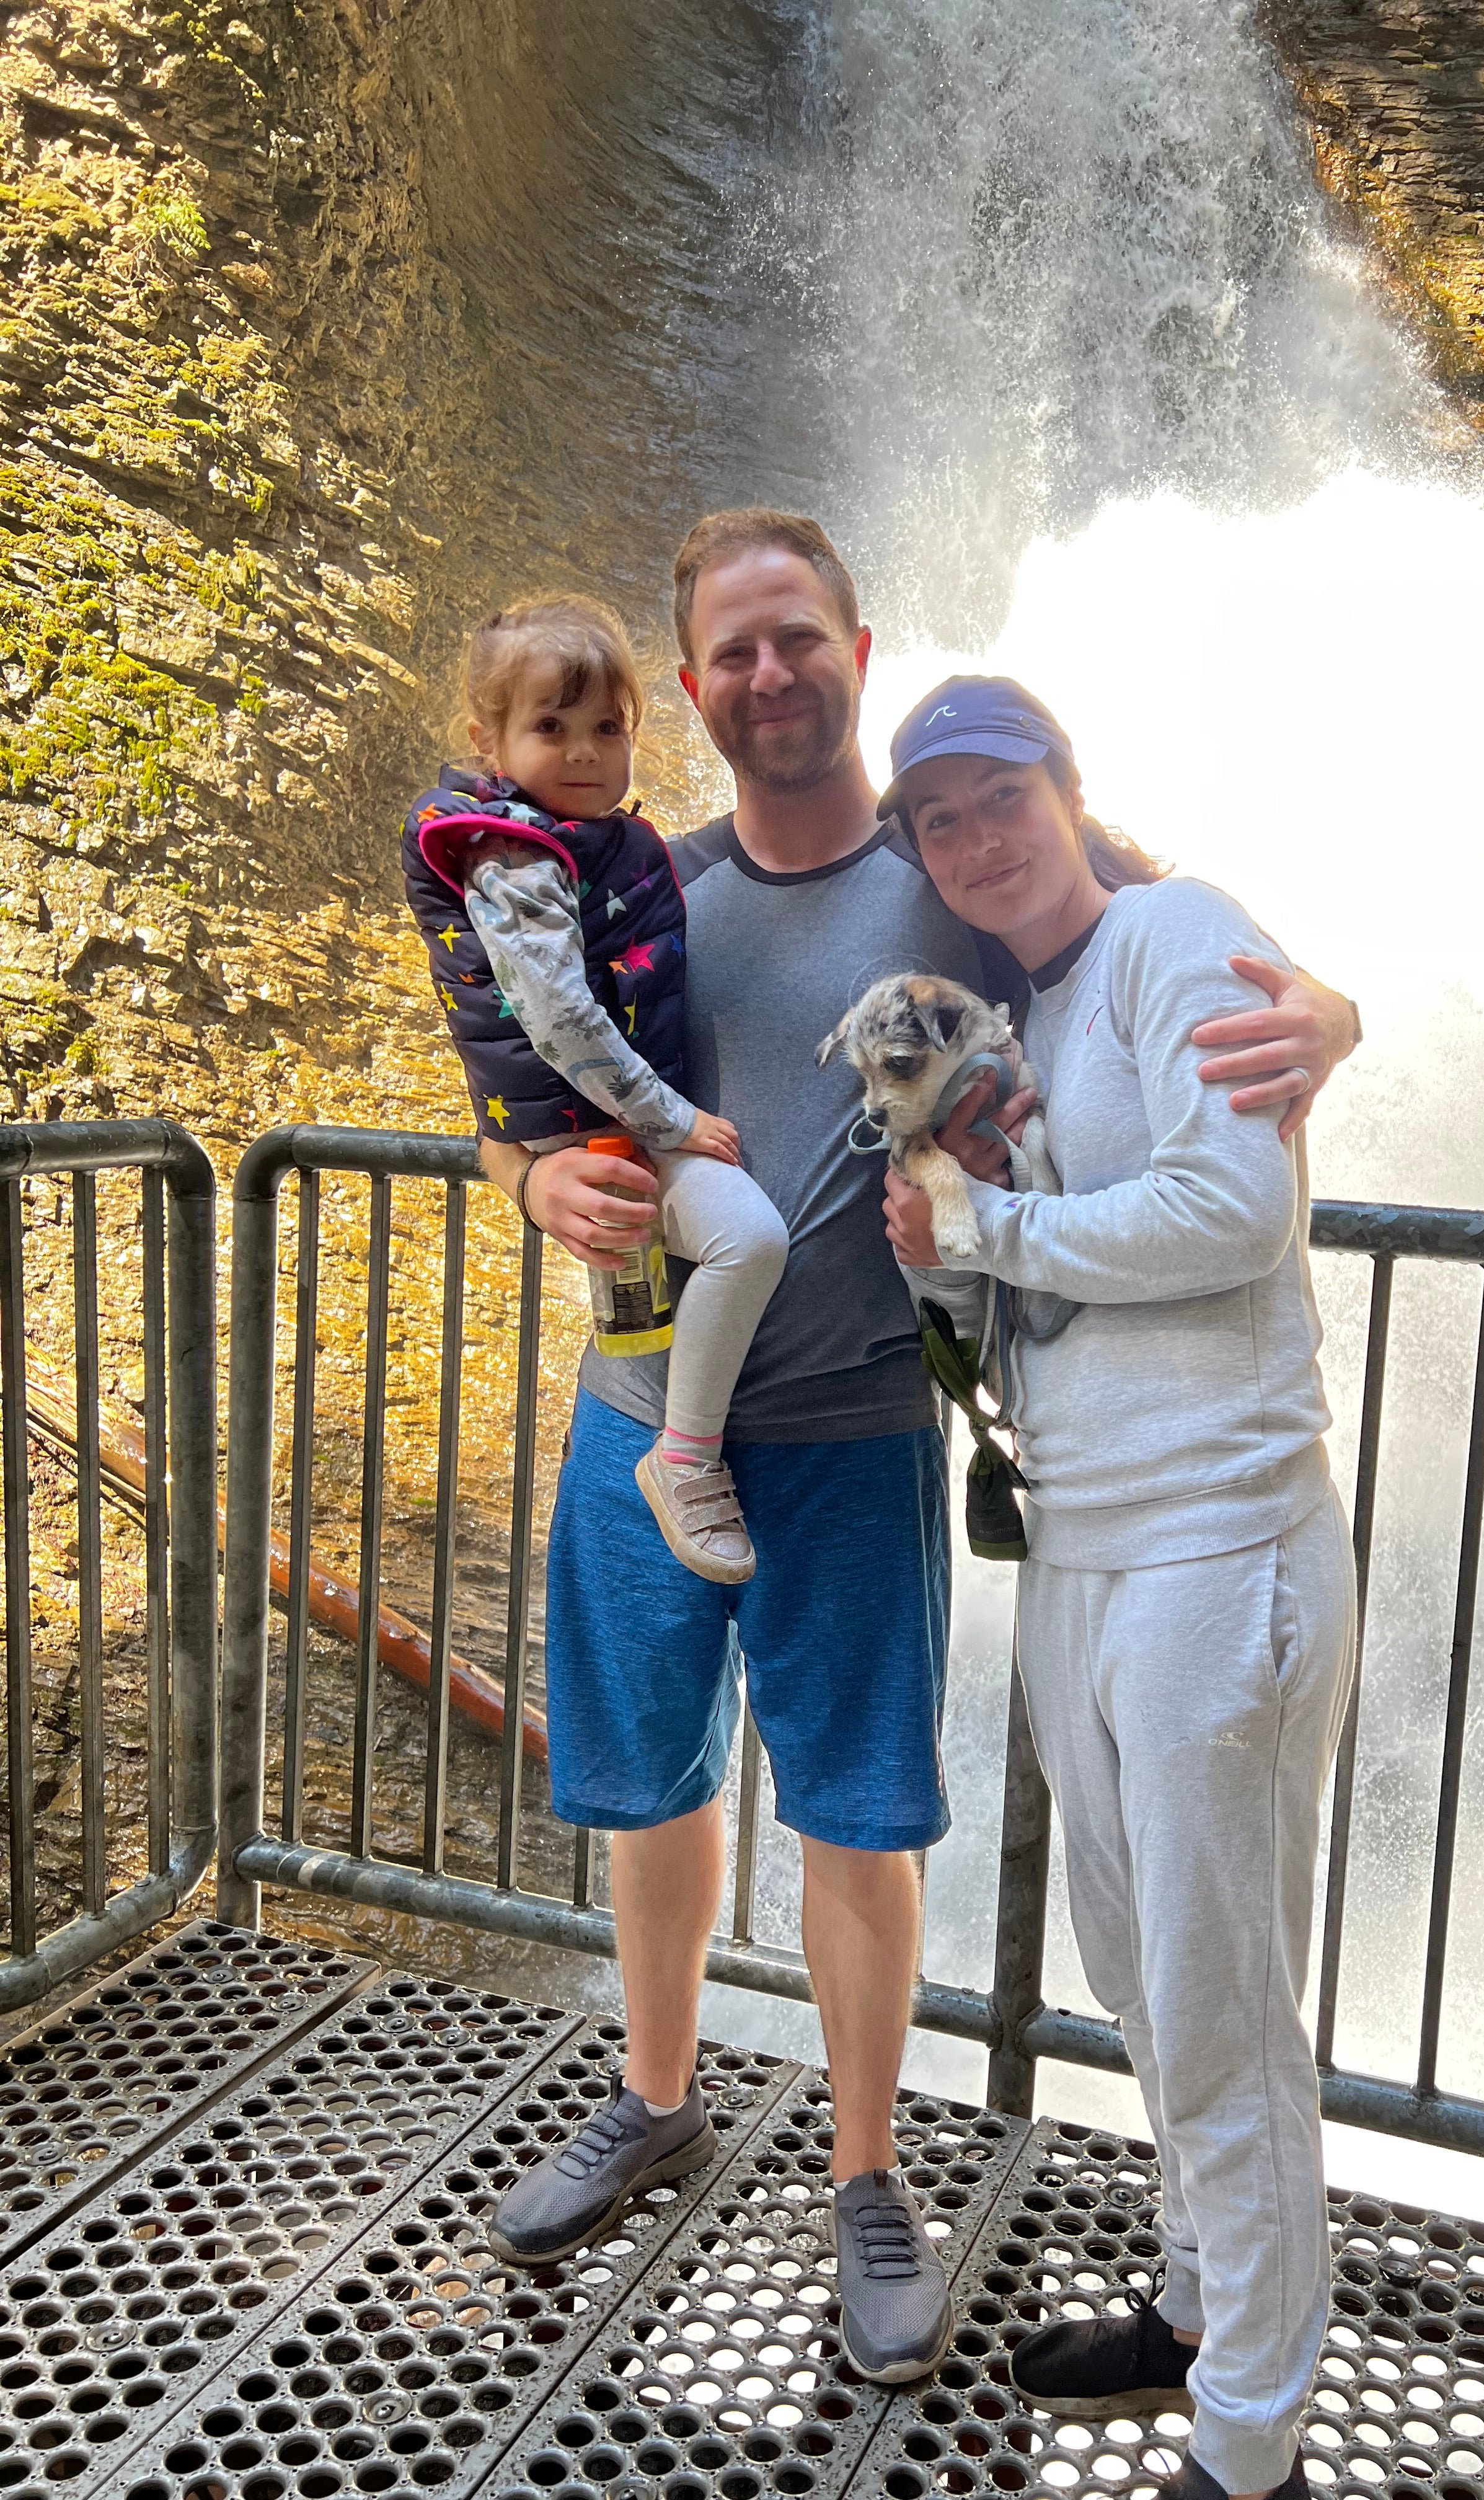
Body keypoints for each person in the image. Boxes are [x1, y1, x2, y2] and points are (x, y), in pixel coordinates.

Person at [472, 515, 1361, 2382]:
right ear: (693, 685)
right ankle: (657, 2100)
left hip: (862, 1434)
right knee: (646, 1787)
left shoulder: (955, 871)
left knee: (857, 1814)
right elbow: (516, 1087)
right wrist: (528, 1166)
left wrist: (1333, 1012)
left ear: (856, 650)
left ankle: (866, 2176)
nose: (772, 674)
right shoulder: (641, 881)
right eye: (736, 651)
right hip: (640, 1418)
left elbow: (1169, 922)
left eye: (800, 637)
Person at [878, 676, 1354, 2500]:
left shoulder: (1176, 932)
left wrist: (989, 1224)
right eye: (942, 821)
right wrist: (940, 1247)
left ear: (1071, 794)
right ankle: (1198, 2307)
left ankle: (1251, 2447)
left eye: (1003, 798)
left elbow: (1235, 1211)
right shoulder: (1014, 1019)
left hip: (1219, 1552)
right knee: (1143, 1976)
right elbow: (1031, 1310)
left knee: (1223, 2005)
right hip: (1083, 1551)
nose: (978, 838)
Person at [402, 595, 788, 1584]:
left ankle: (681, 1448)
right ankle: (685, 1456)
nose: (582, 751)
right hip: (610, 1123)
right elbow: (558, 1018)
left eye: (605, 727)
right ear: (489, 743)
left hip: (600, 1125)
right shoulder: (519, 856)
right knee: (748, 1240)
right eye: (550, 726)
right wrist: (666, 1123)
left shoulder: (597, 847)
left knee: (673, 1277)